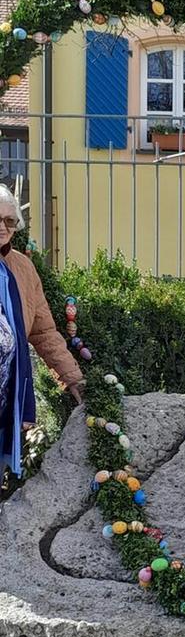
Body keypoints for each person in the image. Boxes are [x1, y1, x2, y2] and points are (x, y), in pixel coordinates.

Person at [0, 184, 84, 481]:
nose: (3, 228)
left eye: (10, 221)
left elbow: (44, 331)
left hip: (6, 400)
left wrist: (72, 378)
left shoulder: (22, 268)